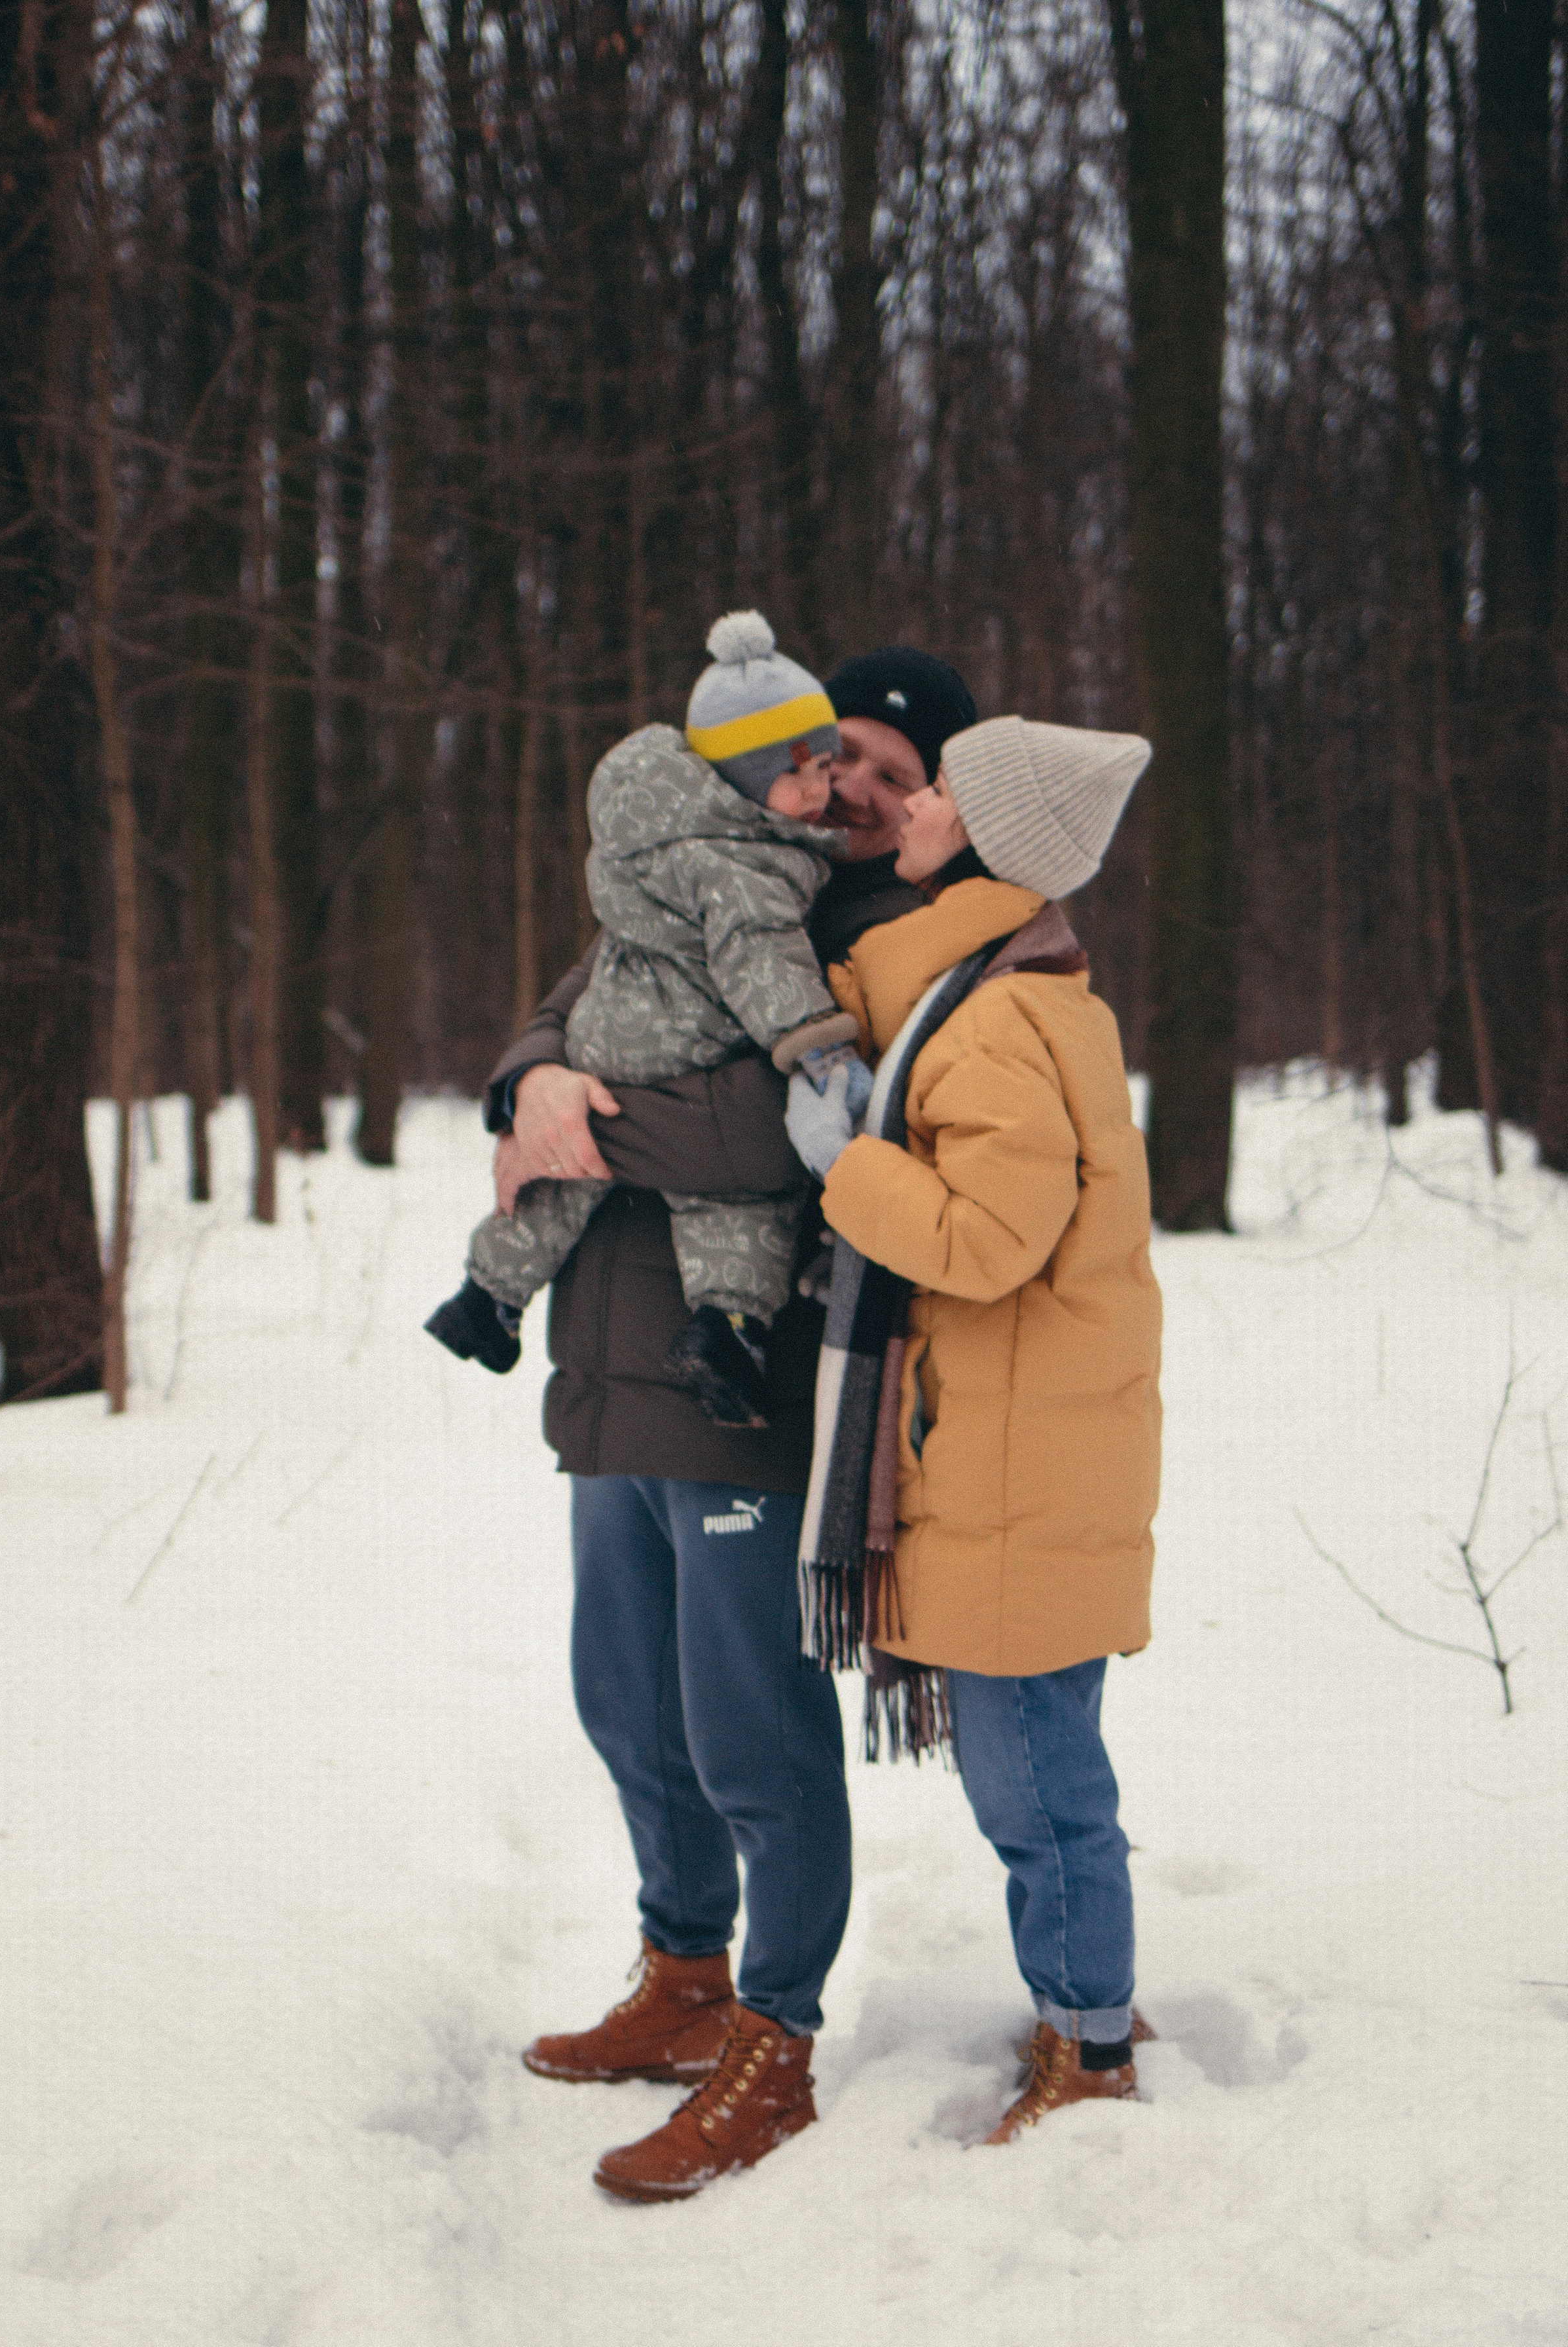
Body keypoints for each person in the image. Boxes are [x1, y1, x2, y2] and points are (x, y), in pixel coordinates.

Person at [479, 648, 977, 2203]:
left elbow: (782, 1145)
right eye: (839, 761)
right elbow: (551, 1019)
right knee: (625, 1703)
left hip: (744, 1376)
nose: (854, 795)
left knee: (744, 1727)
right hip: (606, 1366)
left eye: (893, 779)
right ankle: (682, 1975)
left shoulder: (884, 933)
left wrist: (582, 1123)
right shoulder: (700, 864)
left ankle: (775, 2033)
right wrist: (532, 1081)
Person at [784, 714, 1162, 2147]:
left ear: (985, 837)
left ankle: (1088, 2045)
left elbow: (989, 1239)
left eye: (939, 787)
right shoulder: (1003, 985)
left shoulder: (992, 1014)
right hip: (1032, 1444)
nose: (914, 799)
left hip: (1016, 1460)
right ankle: (1088, 2000)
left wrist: (852, 1168)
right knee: (1044, 1761)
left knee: (1033, 1786)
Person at [429, 612, 860, 1427]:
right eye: (800, 774)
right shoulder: (749, 864)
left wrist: (541, 1075)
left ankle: (488, 1294)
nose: (821, 793)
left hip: (605, 1032)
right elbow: (761, 957)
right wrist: (812, 1043)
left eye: (826, 770)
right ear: (738, 776)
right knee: (731, 1209)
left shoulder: (652, 835)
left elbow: (588, 968)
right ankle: (728, 1324)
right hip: (688, 1047)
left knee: (559, 1180)